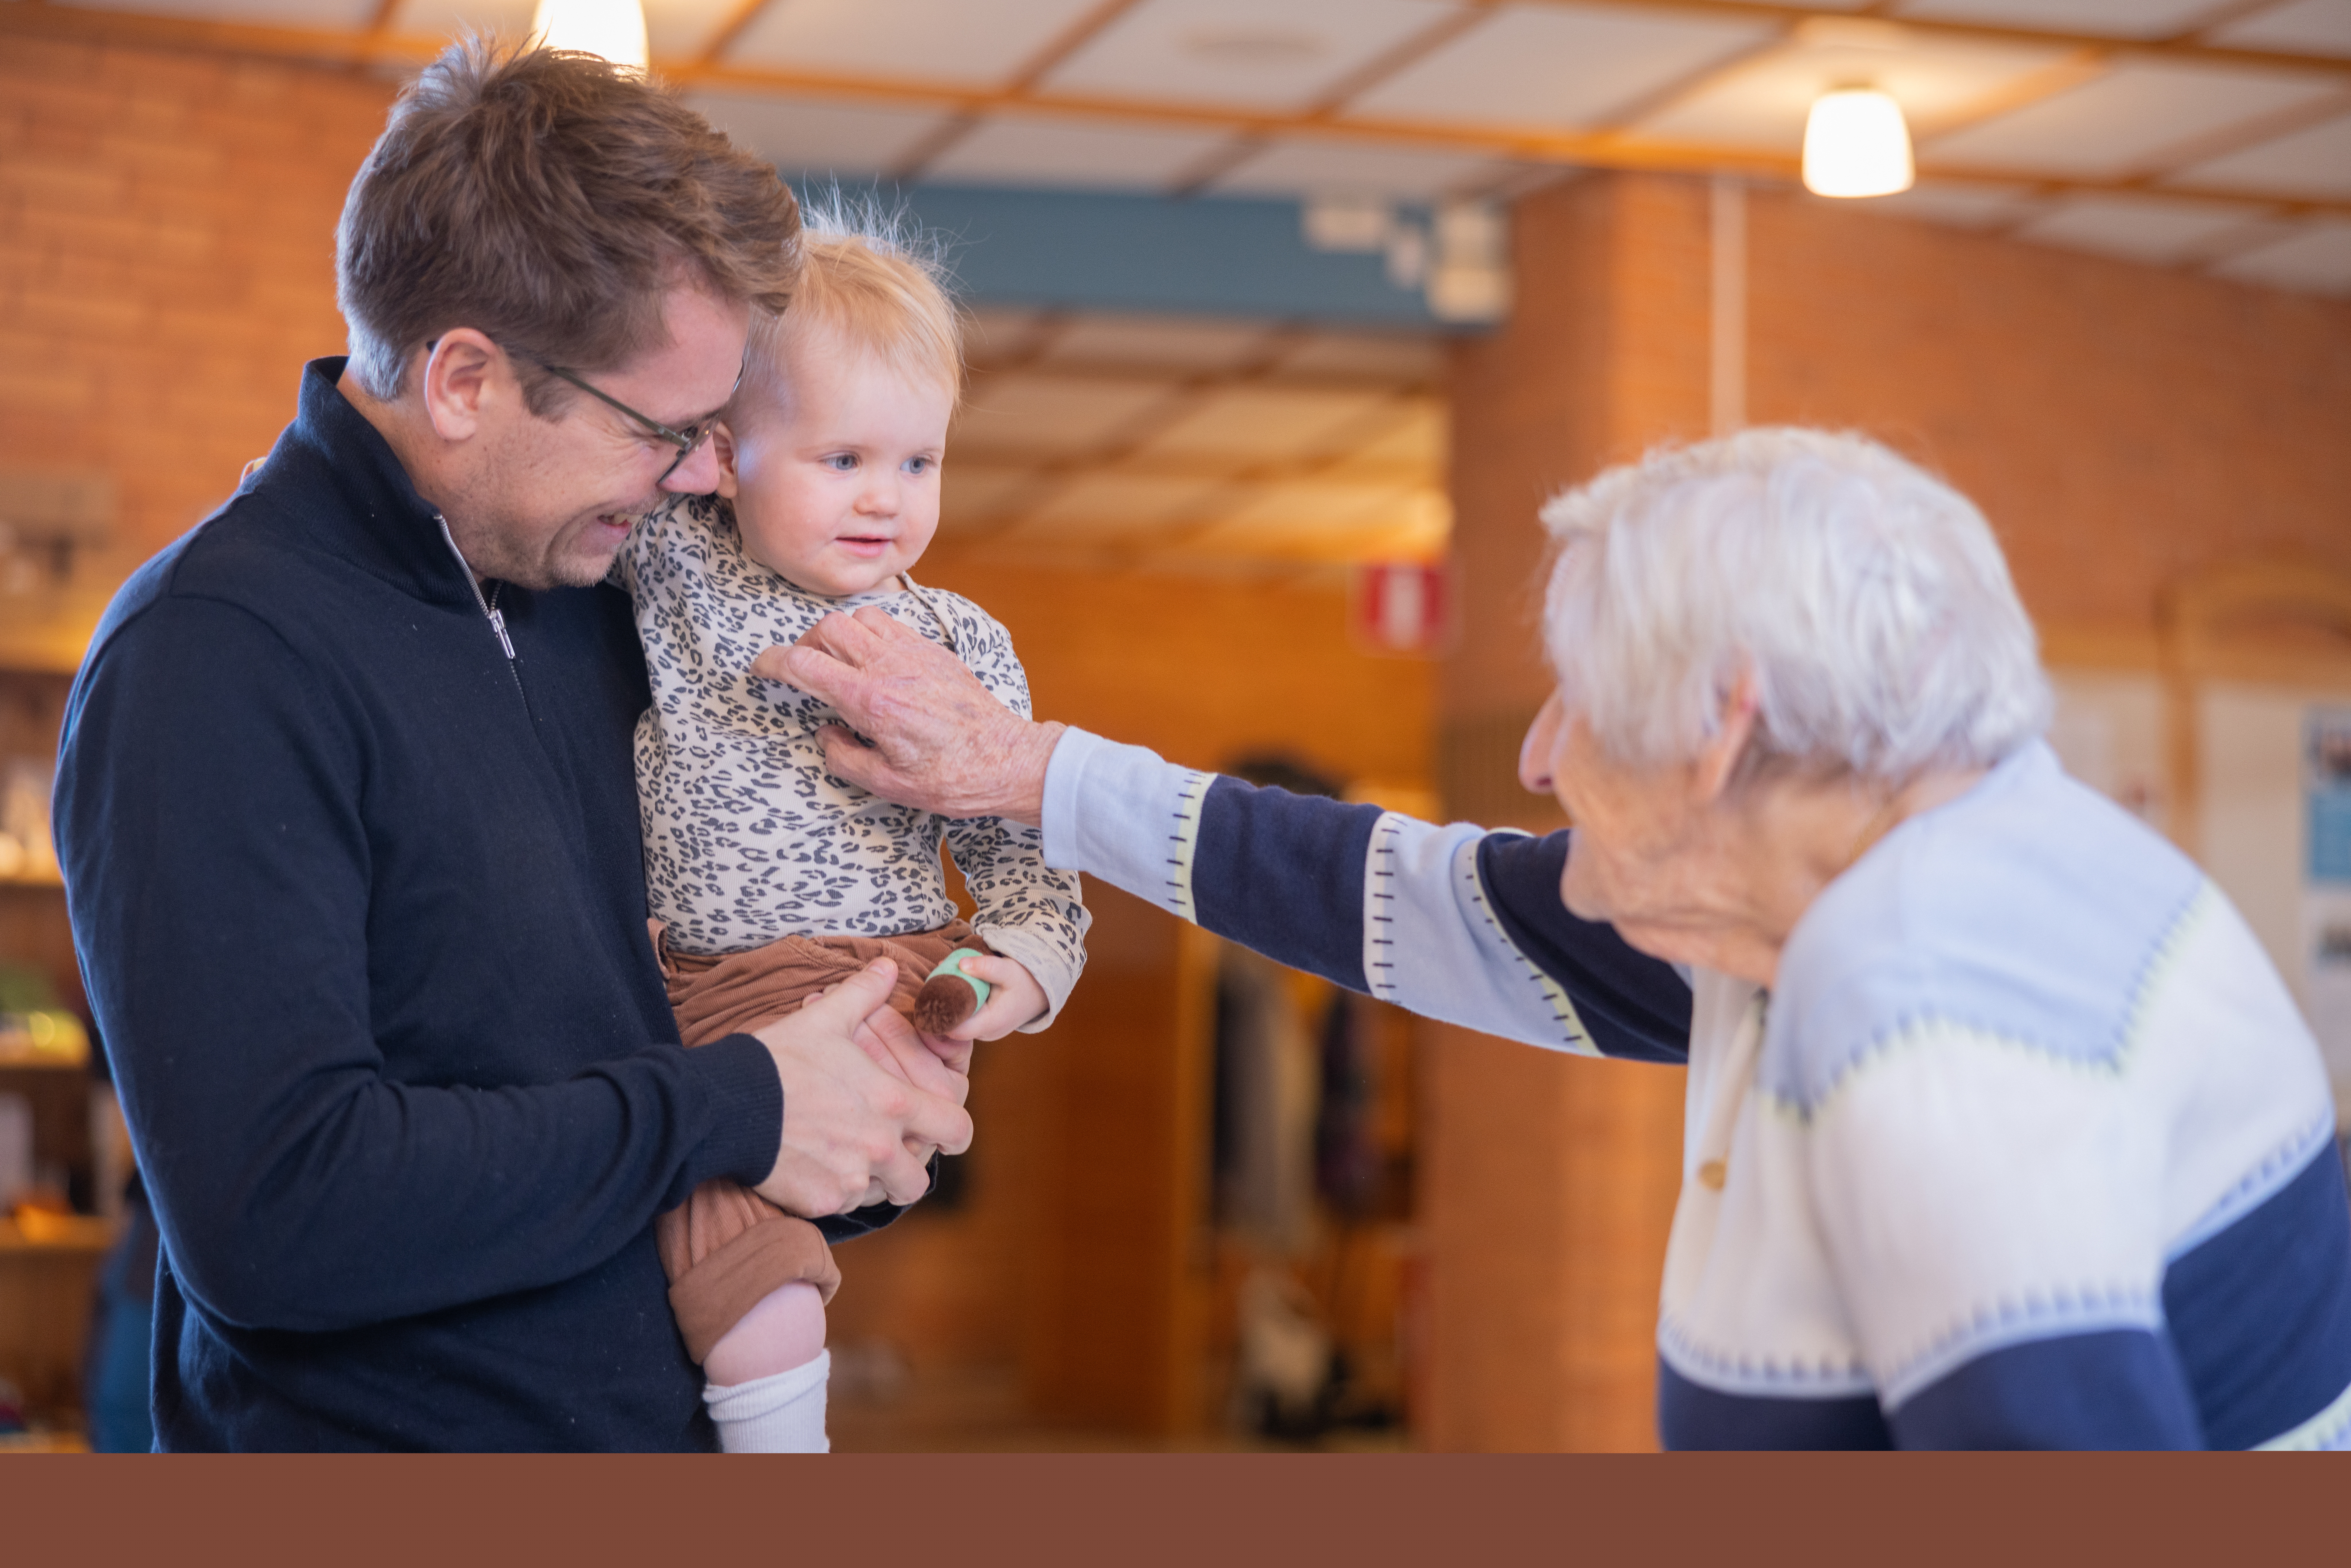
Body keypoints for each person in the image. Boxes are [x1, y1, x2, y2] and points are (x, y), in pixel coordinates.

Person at [769, 428, 2351, 1450]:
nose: (1535, 753)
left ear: (1723, 726)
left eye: (1576, 696)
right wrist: (1023, 770)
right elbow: (1418, 899)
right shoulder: (1899, 873)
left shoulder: (1929, 1005)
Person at [51, 43, 971, 1452]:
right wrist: (741, 1102)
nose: (690, 482)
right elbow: (281, 1214)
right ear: (467, 378)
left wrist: (847, 1110)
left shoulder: (591, 605)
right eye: (662, 431)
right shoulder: (211, 655)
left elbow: (649, 1076)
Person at [612, 215, 1088, 1451]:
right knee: (747, 1297)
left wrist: (1007, 981)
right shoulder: (673, 563)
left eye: (919, 462)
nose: (886, 498)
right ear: (724, 454)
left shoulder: (965, 643)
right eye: (841, 458)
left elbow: (1032, 880)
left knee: (760, 1271)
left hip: (891, 980)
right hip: (710, 994)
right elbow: (600, 457)